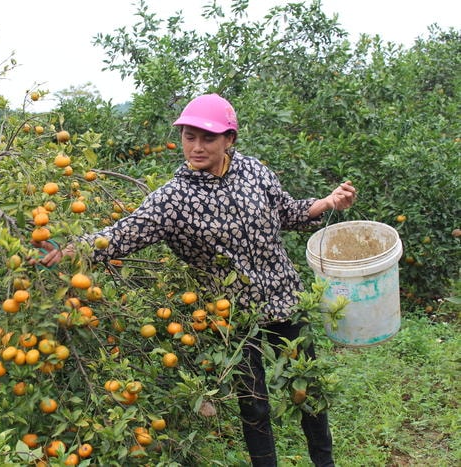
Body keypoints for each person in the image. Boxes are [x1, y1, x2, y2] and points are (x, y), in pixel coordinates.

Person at [34, 93, 356, 466]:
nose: (197, 147)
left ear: (229, 140)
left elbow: (286, 212)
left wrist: (328, 202)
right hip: (233, 316)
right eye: (190, 137)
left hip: (286, 298)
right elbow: (121, 235)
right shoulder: (173, 199)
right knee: (255, 406)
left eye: (208, 138)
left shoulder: (254, 171)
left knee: (309, 393)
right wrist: (66, 250)